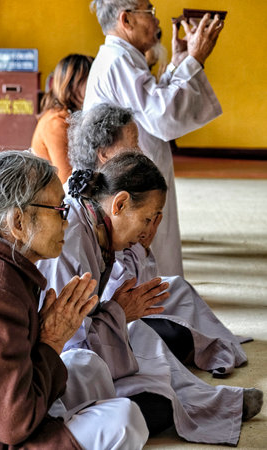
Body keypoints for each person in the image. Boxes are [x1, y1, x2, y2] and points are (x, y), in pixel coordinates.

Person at [38, 152, 263, 445]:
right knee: (150, 401)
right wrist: (118, 312)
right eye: (146, 218)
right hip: (58, 366)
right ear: (119, 203)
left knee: (148, 340)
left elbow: (122, 294)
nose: (148, 229)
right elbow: (70, 344)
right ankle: (198, 405)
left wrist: (119, 309)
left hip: (100, 341)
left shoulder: (97, 225)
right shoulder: (71, 240)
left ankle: (213, 401)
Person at [0, 150, 149, 449]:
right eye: (58, 210)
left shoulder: (0, 262)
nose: (67, 222)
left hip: (11, 412)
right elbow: (12, 426)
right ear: (18, 222)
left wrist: (50, 338)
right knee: (123, 421)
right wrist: (51, 341)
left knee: (88, 365)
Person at [68, 103, 249, 376]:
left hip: (112, 316)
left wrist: (142, 245)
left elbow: (141, 282)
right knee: (153, 342)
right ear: (104, 155)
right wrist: (118, 311)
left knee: (176, 290)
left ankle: (218, 349)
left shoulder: (105, 206)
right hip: (94, 333)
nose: (141, 152)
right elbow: (87, 324)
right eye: (132, 147)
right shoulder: (80, 221)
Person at [84, 0, 225, 277]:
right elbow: (161, 115)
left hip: (137, 172)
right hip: (128, 179)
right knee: (146, 255)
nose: (157, 22)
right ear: (126, 20)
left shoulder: (123, 58)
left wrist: (177, 65)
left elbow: (150, 101)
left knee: (156, 247)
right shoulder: (117, 61)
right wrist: (195, 60)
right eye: (150, 13)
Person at [31, 54, 93, 183]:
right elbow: (66, 179)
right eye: (91, 79)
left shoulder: (71, 116)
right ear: (72, 84)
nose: (96, 85)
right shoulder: (56, 122)